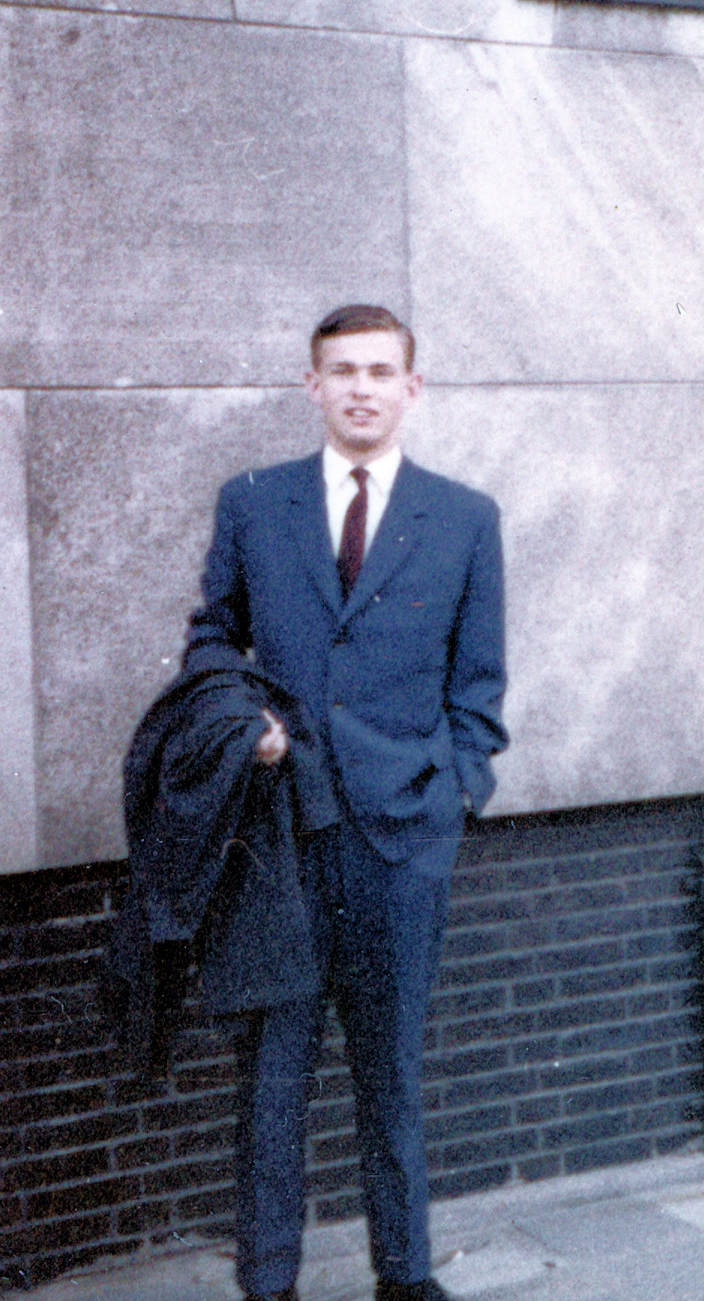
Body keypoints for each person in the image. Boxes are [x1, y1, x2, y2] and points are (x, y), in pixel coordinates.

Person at [185, 304, 508, 1301]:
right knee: (274, 1074)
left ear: (413, 387)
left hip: (402, 840)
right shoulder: (254, 503)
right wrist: (247, 729)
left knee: (390, 1072)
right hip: (280, 837)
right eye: (342, 370)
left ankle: (404, 1280)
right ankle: (269, 1284)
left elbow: (480, 685)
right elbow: (209, 646)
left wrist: (456, 790)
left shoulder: (464, 517)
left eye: (381, 370)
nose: (361, 387)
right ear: (311, 385)